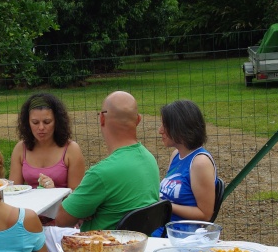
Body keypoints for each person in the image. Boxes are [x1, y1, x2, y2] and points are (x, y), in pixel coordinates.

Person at [55, 91, 160, 231]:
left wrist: (79, 206)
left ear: (102, 119)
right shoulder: (149, 158)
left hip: (102, 249)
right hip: (138, 245)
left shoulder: (101, 173)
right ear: (138, 120)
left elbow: (62, 219)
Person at [153, 100, 218, 237]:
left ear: (180, 127)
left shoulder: (200, 162)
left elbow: (205, 215)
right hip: (162, 230)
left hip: (182, 237)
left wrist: (164, 206)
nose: (160, 131)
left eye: (165, 125)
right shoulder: (176, 155)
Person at [9, 93, 85, 190]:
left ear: (57, 122)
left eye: (47, 122)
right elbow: (14, 190)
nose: (41, 127)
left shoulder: (71, 149)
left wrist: (54, 193)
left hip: (61, 204)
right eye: (35, 122)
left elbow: (77, 196)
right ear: (27, 122)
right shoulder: (20, 148)